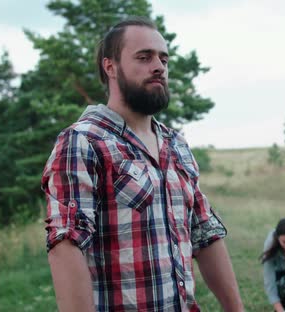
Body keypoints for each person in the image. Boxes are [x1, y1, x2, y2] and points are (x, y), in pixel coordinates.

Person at [41, 17, 243, 312]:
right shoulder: (83, 142)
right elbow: (66, 246)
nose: (159, 66)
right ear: (110, 66)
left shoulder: (176, 146)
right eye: (144, 57)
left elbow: (205, 234)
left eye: (163, 58)